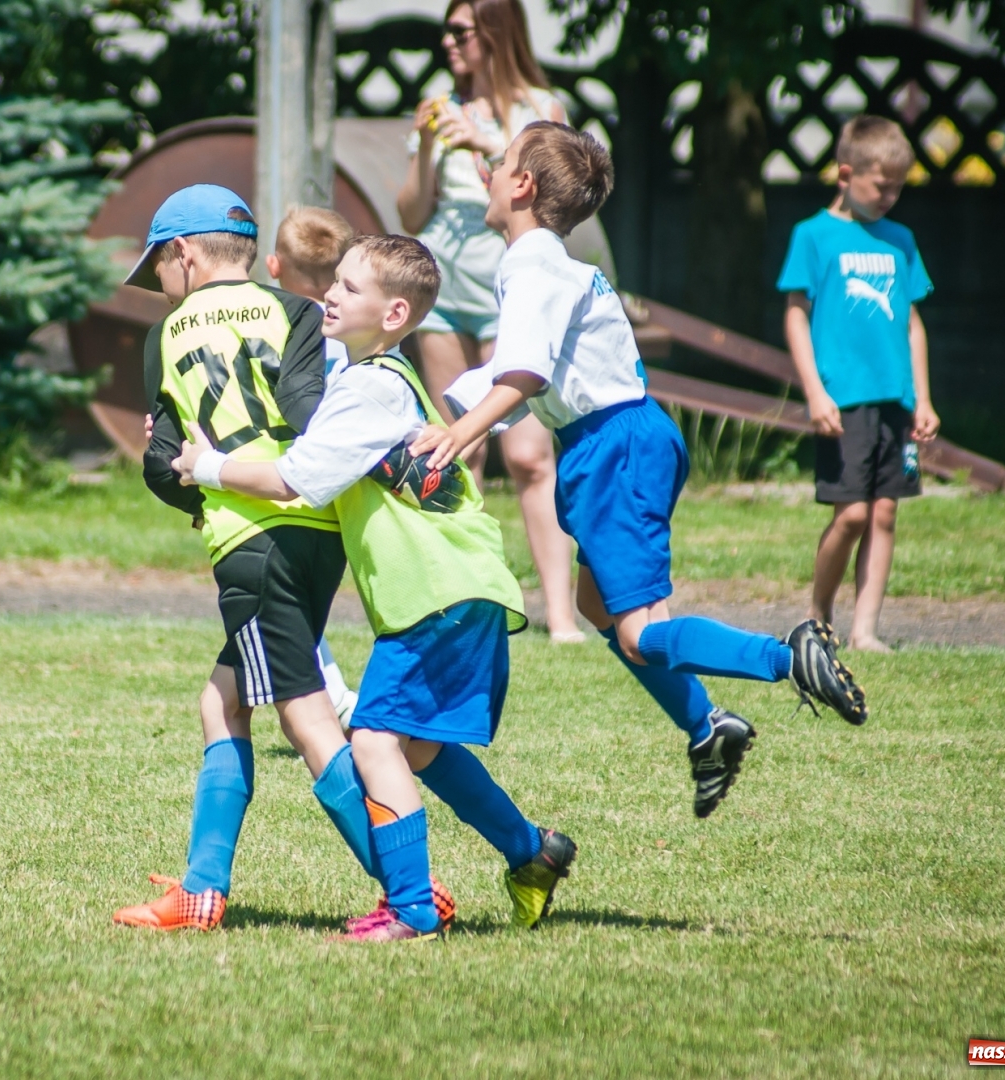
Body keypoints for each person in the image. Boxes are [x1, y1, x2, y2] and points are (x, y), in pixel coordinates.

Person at [425, 122, 869, 821]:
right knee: (597, 607)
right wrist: (445, 413)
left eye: (500, 159)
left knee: (636, 630)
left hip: (613, 449)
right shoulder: (550, 262)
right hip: (617, 439)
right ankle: (708, 728)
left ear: (522, 185)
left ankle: (788, 657)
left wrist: (456, 436)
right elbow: (521, 366)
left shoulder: (530, 264)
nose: (487, 166)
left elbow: (525, 371)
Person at [174, 234, 577, 941]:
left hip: (435, 592)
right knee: (415, 746)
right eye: (334, 281)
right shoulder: (383, 379)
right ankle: (530, 850)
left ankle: (413, 908)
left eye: (350, 287)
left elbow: (291, 477)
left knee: (373, 740)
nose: (330, 293)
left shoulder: (367, 390)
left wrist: (206, 465)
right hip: (457, 586)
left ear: (393, 313)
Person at [113, 187, 453, 932]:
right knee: (223, 699)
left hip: (250, 541)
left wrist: (192, 483)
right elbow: (312, 418)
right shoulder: (297, 312)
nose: (161, 285)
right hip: (317, 530)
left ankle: (408, 889)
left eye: (159, 269)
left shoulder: (164, 337)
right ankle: (204, 884)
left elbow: (164, 464)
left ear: (185, 255)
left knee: (305, 719)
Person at [396, 0, 584, 644]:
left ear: (496, 33)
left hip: (515, 289)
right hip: (447, 289)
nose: (447, 43)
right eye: (446, 32)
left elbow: (554, 194)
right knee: (460, 450)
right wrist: (426, 142)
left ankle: (560, 615)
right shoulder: (437, 100)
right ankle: (467, 607)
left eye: (460, 31)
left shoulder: (542, 108)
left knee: (530, 455)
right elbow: (413, 210)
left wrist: (486, 141)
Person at [780, 116, 939, 654]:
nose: (891, 196)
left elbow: (913, 322)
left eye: (899, 186)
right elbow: (796, 315)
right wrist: (814, 393)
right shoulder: (813, 235)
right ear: (846, 174)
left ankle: (865, 630)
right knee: (849, 514)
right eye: (881, 185)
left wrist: (923, 398)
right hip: (841, 399)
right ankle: (818, 613)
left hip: (894, 396)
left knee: (885, 512)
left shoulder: (902, 240)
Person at [266, 206, 360, 722]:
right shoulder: (350, 335)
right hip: (343, 489)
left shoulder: (272, 330)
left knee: (292, 609)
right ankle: (337, 703)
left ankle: (339, 707)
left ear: (273, 267)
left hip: (285, 486)